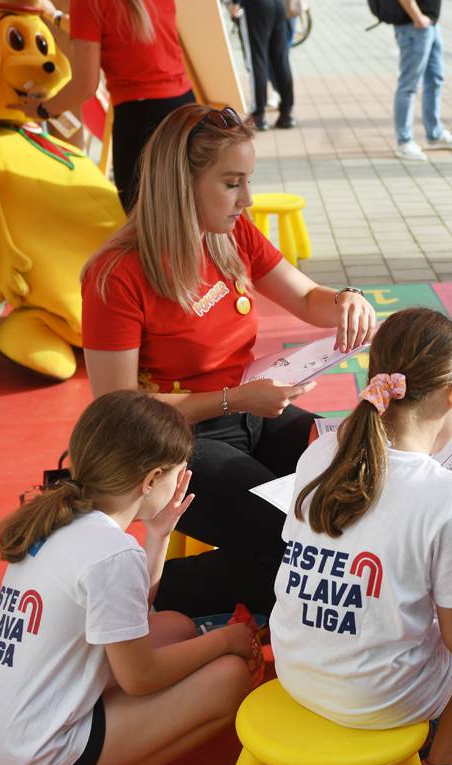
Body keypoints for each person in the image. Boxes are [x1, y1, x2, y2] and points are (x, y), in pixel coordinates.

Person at [81, 104, 378, 618]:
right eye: (232, 183)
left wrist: (348, 299)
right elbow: (117, 412)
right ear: (182, 183)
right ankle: (124, 590)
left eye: (248, 180)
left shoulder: (229, 234)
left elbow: (307, 297)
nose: (248, 199)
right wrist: (234, 398)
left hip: (251, 412)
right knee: (297, 551)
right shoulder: (117, 276)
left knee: (354, 487)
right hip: (171, 443)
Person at [270, 308, 452, 765]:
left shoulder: (322, 452)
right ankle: (450, 751)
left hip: (295, 672)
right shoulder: (447, 495)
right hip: (382, 701)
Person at [0, 391, 261, 765]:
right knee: (230, 677)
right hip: (39, 756)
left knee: (174, 626)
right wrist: (227, 640)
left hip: (3, 728)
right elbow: (140, 677)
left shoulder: (60, 518)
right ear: (152, 479)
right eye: (177, 473)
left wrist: (158, 536)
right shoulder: (110, 552)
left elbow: (130, 616)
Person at [24, 0, 196, 211]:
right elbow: (117, 28)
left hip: (141, 117)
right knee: (186, 209)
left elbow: (85, 85)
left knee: (142, 217)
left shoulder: (88, 4)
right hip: (184, 104)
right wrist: (57, 17)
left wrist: (42, 109)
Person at [390, 0, 452, 161]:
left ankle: (435, 133)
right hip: (414, 25)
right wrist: (417, 16)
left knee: (435, 78)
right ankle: (404, 141)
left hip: (429, 23)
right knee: (409, 85)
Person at [231, 0, 296, 130]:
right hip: (279, 5)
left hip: (256, 6)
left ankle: (258, 115)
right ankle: (287, 113)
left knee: (257, 60)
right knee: (281, 60)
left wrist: (234, 3)